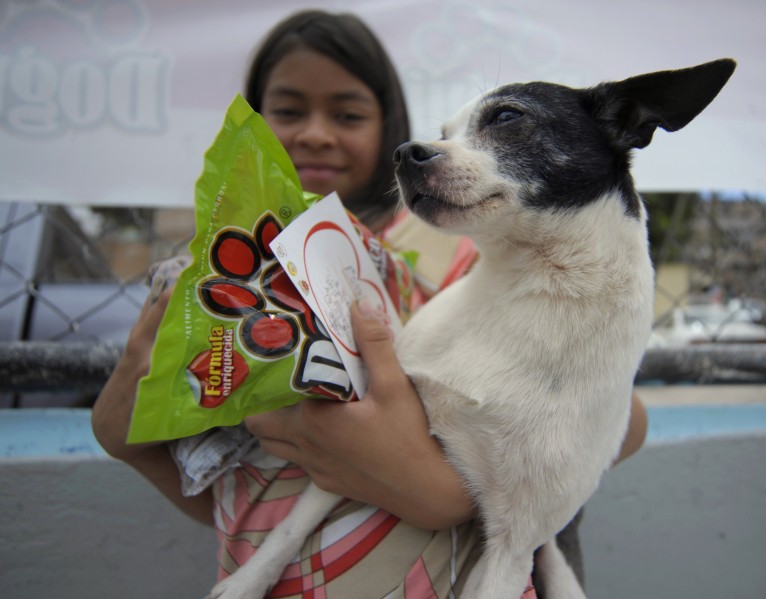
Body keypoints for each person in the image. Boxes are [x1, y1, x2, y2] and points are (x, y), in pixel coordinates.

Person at [91, 9, 648, 597]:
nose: (315, 133)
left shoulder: (465, 247)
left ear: (391, 126)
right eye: (286, 111)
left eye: (347, 113)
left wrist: (433, 487)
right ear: (253, 122)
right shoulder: (224, 270)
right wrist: (120, 434)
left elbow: (618, 421)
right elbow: (224, 490)